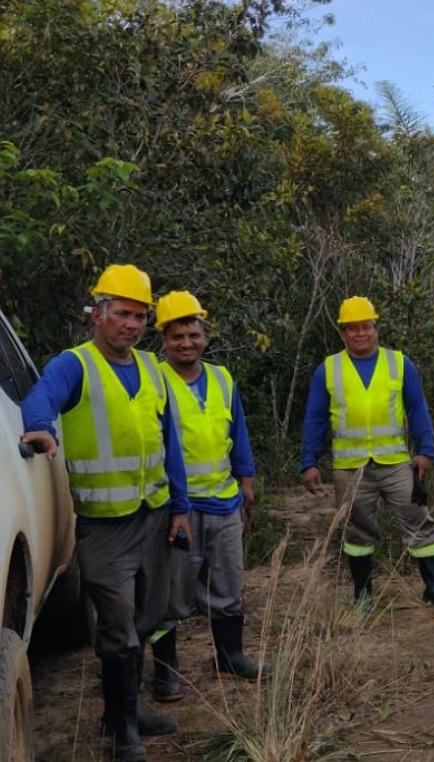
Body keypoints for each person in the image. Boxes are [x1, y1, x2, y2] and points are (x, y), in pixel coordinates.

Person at [20, 264, 190, 762]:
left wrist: (180, 508)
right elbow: (41, 398)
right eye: (121, 314)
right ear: (98, 314)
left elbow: (170, 444)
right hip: (103, 526)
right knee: (116, 625)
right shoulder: (76, 365)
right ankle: (122, 732)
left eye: (139, 316)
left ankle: (127, 711)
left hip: (154, 517)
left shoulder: (154, 371)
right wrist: (39, 427)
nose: (131, 325)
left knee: (149, 617)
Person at [300, 296, 434, 611]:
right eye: (353, 329)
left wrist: (426, 450)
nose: (361, 334)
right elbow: (316, 418)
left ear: (376, 328)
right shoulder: (328, 369)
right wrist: (309, 461)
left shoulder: (400, 363)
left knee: (418, 519)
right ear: (343, 333)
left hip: (396, 463)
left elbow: (417, 409)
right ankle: (363, 595)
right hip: (351, 467)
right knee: (357, 531)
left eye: (366, 327)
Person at [146, 291, 266, 704]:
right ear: (164, 339)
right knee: (169, 595)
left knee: (229, 584)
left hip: (224, 501)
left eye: (193, 334)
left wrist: (246, 479)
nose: (186, 343)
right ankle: (165, 672)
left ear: (204, 336)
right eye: (177, 336)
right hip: (176, 508)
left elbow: (239, 434)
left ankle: (229, 656)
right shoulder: (154, 380)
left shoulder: (222, 378)